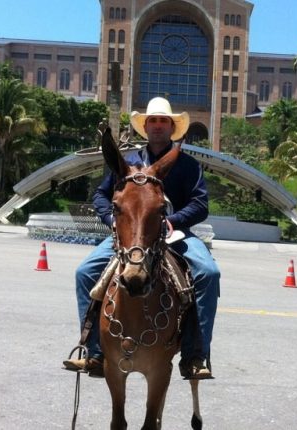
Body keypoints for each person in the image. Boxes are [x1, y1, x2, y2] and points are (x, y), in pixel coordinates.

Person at [63, 97, 220, 379]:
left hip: (176, 235)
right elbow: (101, 195)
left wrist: (172, 220)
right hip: (130, 236)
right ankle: (95, 353)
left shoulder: (187, 165)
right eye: (153, 121)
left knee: (208, 273)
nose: (158, 125)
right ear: (145, 127)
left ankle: (196, 354)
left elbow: (200, 204)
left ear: (172, 127)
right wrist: (113, 221)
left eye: (163, 121)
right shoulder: (128, 163)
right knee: (85, 272)